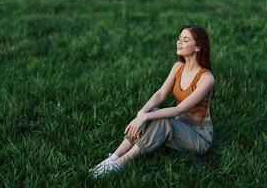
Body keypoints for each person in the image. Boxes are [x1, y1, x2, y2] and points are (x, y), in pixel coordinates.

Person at [89, 25, 216, 178]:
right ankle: (112, 158)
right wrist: (141, 114)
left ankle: (121, 163)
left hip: (199, 136)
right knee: (153, 112)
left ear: (198, 47)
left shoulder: (206, 79)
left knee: (161, 121)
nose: (179, 42)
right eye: (179, 38)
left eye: (185, 40)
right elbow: (160, 94)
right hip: (179, 123)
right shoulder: (178, 67)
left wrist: (145, 117)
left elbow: (179, 109)